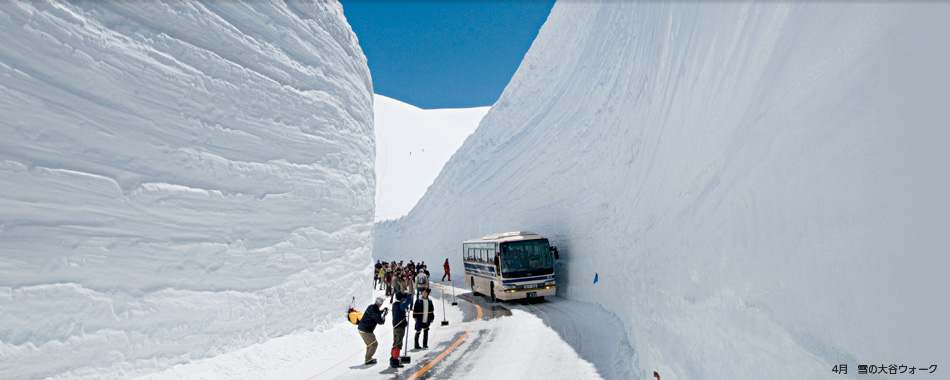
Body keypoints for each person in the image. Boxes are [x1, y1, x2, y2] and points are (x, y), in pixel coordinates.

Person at [357, 296, 389, 365]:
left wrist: (381, 311)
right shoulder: (376, 311)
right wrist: (384, 316)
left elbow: (375, 313)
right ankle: (368, 359)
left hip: (361, 328)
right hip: (366, 330)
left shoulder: (371, 307)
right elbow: (380, 322)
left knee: (370, 345)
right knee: (374, 344)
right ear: (380, 303)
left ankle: (368, 359)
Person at [389, 292, 410, 368]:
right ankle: (395, 360)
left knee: (395, 342)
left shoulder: (395, 304)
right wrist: (409, 296)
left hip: (395, 326)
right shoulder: (400, 305)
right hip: (400, 327)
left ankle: (392, 358)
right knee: (398, 344)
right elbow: (408, 302)